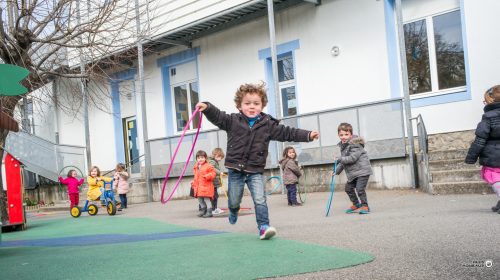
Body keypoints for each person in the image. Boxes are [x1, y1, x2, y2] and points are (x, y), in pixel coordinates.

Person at [196, 82, 319, 240]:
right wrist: (207, 107)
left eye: (256, 103)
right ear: (239, 106)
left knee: (260, 199)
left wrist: (308, 135)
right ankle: (233, 210)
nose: (252, 107)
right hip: (235, 170)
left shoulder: (268, 125)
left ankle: (263, 227)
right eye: (247, 103)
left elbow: (288, 133)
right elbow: (218, 116)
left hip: (255, 170)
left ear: (262, 105)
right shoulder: (232, 121)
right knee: (234, 199)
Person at [465, 85, 500, 214]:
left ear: (491, 101)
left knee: (494, 176)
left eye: (485, 100)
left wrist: (471, 157)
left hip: (494, 156)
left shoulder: (488, 117)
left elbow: (480, 140)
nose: (483, 103)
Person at [335, 122, 373, 214]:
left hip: (362, 171)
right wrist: (336, 171)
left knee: (360, 189)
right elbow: (344, 161)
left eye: (346, 134)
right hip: (353, 173)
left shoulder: (355, 144)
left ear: (351, 134)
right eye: (341, 135)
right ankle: (356, 204)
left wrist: (339, 159)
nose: (343, 137)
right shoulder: (343, 146)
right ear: (338, 135)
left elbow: (352, 158)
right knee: (348, 188)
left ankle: (365, 206)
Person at [192, 150, 217, 218]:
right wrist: (193, 183)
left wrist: (208, 176)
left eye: (202, 157)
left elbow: (213, 173)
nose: (200, 159)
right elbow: (196, 176)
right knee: (199, 199)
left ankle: (209, 211)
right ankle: (203, 210)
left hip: (206, 186)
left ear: (205, 158)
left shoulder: (208, 165)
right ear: (197, 159)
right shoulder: (196, 167)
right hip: (198, 186)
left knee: (206, 199)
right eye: (199, 158)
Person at [208, 148, 225, 214]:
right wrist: (219, 172)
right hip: (212, 181)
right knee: (214, 196)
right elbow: (212, 168)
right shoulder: (212, 161)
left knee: (215, 195)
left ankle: (215, 208)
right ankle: (213, 209)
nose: (220, 159)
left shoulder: (214, 161)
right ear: (215, 155)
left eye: (221, 157)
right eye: (219, 157)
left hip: (214, 181)